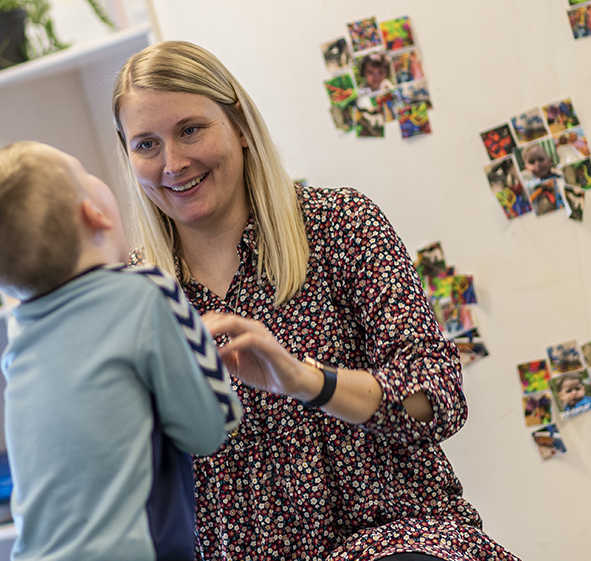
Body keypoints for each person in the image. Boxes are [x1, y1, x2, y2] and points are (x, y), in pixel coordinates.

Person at [112, 41, 517, 561]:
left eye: (190, 129)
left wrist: (304, 379)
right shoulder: (133, 299)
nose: (173, 162)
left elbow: (436, 401)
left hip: (391, 541)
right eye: (146, 144)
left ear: (237, 124)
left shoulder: (341, 226)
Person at [0, 141, 243, 561]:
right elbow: (211, 428)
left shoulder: (22, 338)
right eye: (85, 172)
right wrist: (199, 351)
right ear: (94, 213)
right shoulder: (145, 291)